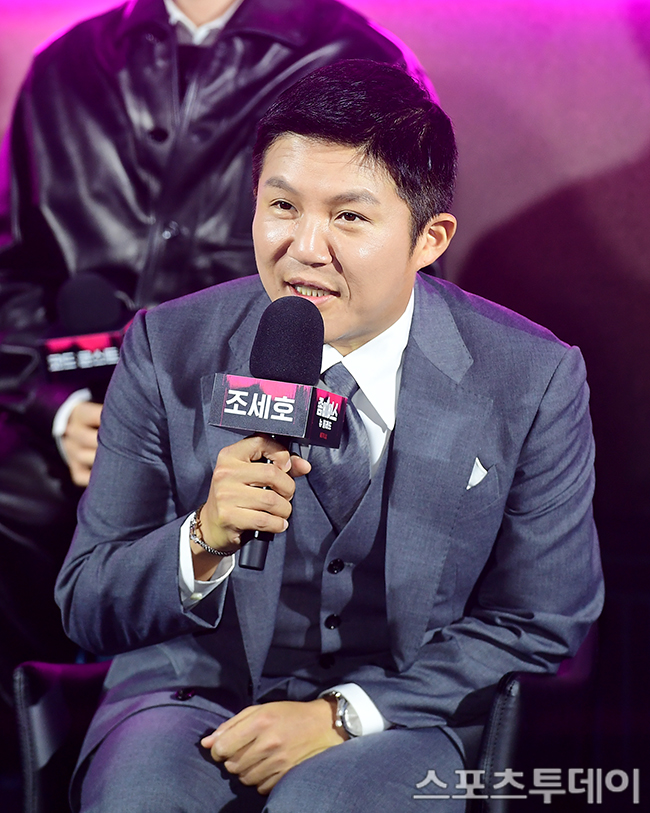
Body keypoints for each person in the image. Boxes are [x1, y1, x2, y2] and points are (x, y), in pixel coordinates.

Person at [55, 60, 603, 812]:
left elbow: (543, 619)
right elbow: (86, 600)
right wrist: (202, 539)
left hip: (404, 709)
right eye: (282, 206)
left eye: (349, 217)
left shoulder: (530, 377)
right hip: (191, 693)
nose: (305, 247)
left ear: (429, 238)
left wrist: (343, 714)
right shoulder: (166, 345)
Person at [0, 0, 432, 706]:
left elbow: (384, 290)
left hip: (252, 413)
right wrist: (62, 409)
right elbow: (17, 272)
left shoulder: (353, 55)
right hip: (78, 410)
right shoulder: (66, 66)